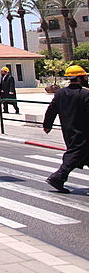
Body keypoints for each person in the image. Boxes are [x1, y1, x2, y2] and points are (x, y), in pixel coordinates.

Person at [42, 65, 89, 193]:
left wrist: (47, 125)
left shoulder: (60, 93)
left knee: (84, 154)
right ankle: (58, 177)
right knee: (75, 154)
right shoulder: (85, 94)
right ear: (80, 78)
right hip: (84, 131)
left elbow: (51, 110)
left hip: (68, 129)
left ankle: (59, 177)